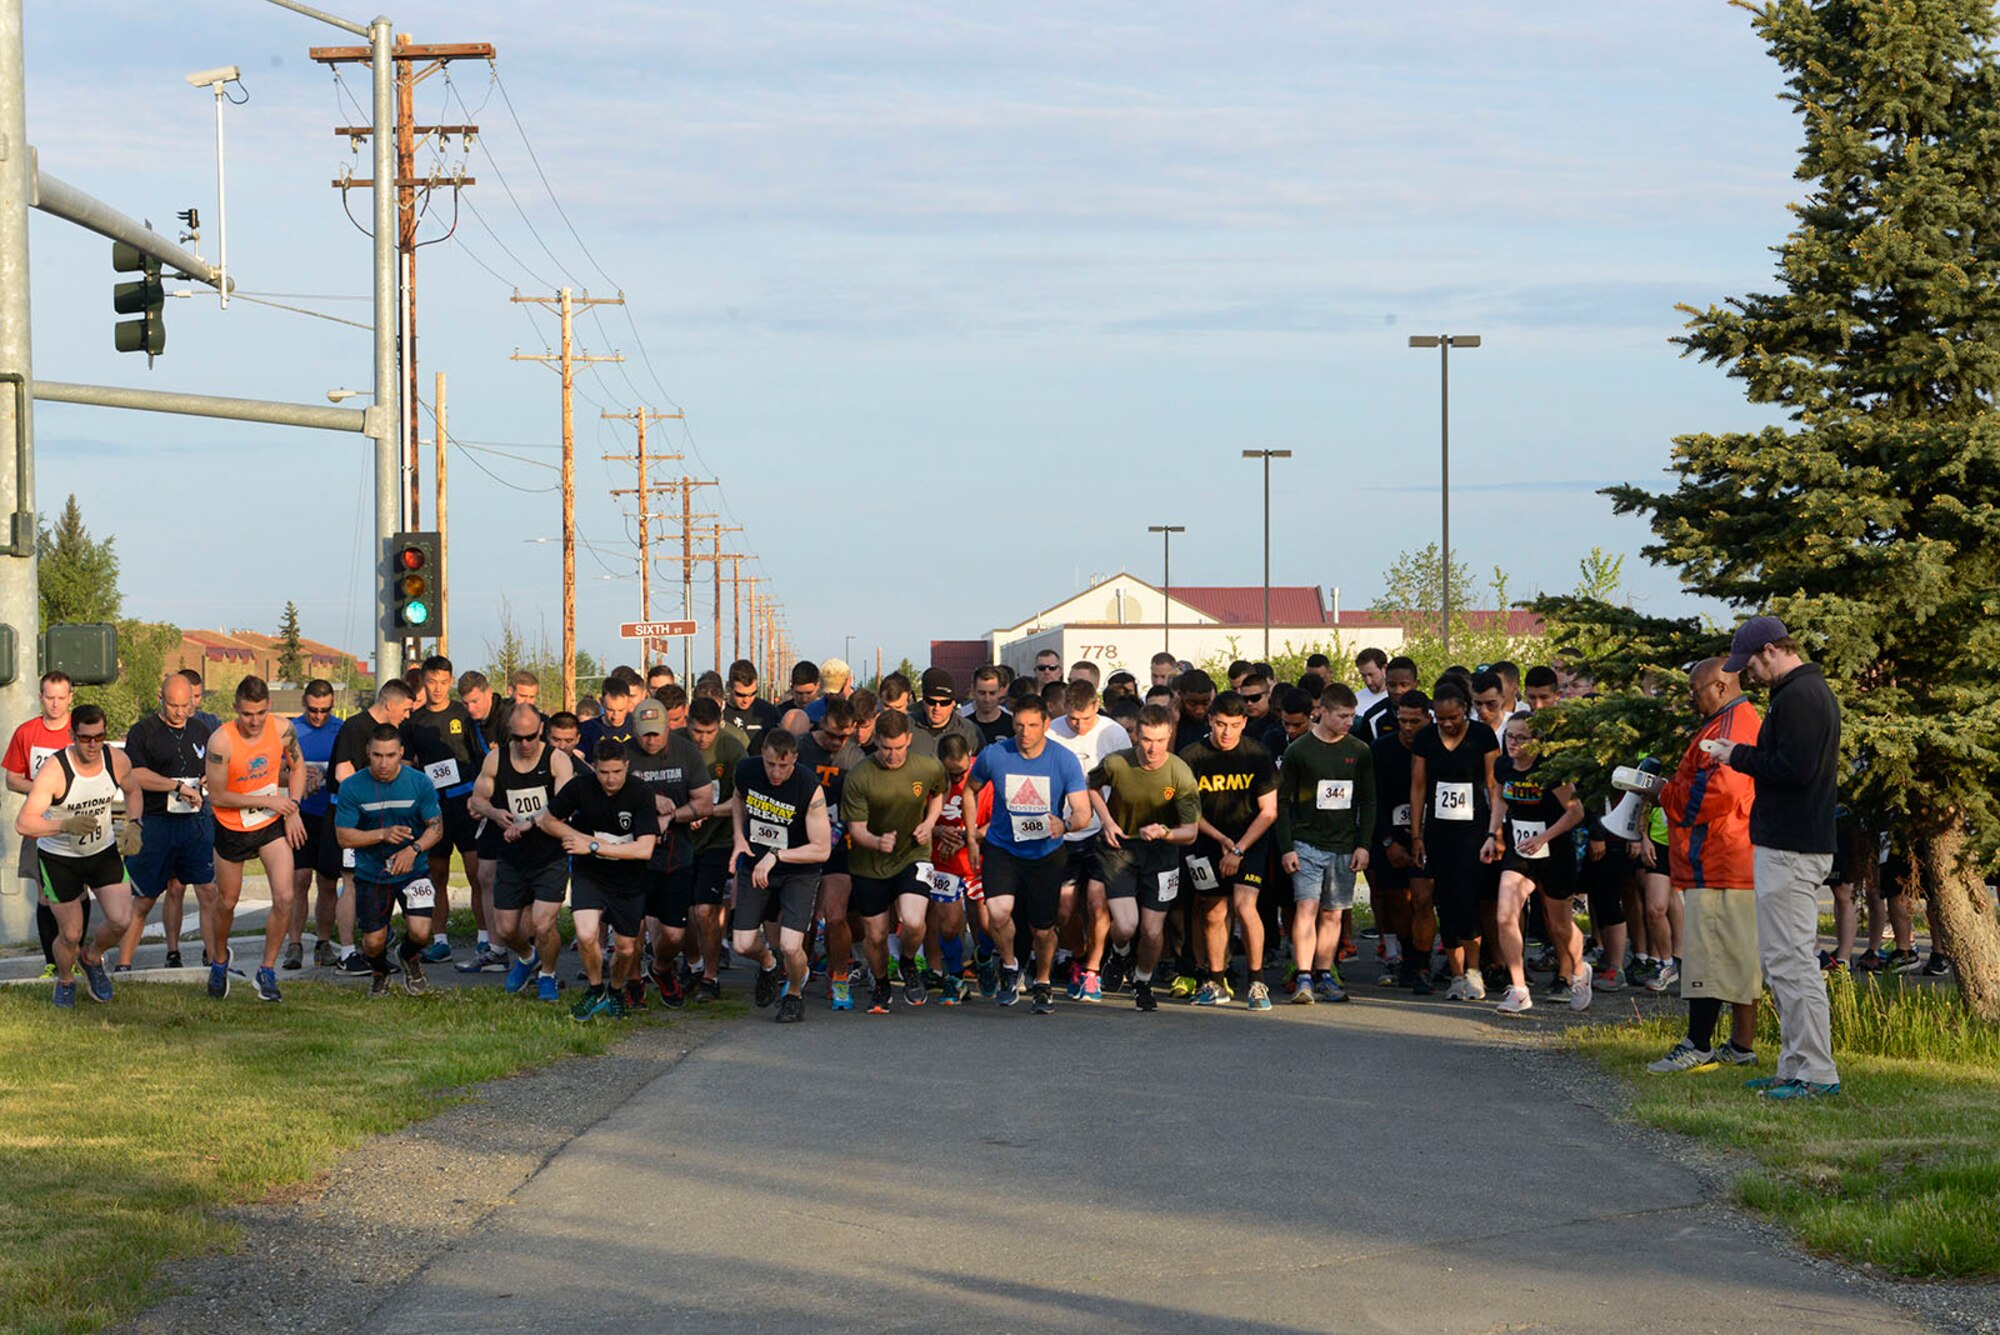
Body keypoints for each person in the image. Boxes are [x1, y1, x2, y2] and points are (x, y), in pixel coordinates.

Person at [1704, 616, 1843, 1099]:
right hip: (1792, 842)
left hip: (1791, 846)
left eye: (1751, 665)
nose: (1751, 676)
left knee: (1792, 962)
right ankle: (1794, 1065)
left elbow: (1794, 769)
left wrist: (1734, 755)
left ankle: (1817, 1073)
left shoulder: (1801, 698)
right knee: (1784, 960)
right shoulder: (1803, 693)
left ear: (1770, 650)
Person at [1646, 658, 1763, 1071]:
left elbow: (1718, 790)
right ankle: (1741, 1046)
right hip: (1730, 857)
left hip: (1720, 857)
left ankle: (1698, 1044)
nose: (1691, 698)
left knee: (1706, 956)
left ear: (1720, 686)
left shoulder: (1730, 727)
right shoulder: (1735, 720)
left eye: (1695, 690)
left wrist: (1664, 794)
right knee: (1737, 956)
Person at [967, 696, 1092, 1010]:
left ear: (1046, 725)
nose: (1025, 732)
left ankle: (1044, 981)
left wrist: (1065, 825)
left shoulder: (1063, 760)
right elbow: (970, 789)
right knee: (996, 913)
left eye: (1033, 725)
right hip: (1002, 848)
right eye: (1019, 725)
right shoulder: (995, 754)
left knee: (1042, 929)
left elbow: (1083, 812)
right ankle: (1010, 965)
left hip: (1045, 854)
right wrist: (971, 836)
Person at [13, 705, 139, 1007]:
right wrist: (64, 825)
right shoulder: (55, 771)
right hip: (60, 858)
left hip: (102, 850)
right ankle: (66, 979)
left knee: (122, 920)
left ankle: (92, 958)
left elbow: (134, 791)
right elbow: (24, 822)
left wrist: (135, 825)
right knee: (70, 933)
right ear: (72, 736)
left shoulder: (116, 760)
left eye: (99, 737)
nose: (93, 745)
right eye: (86, 739)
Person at [1090, 703, 1202, 1014]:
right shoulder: (1116, 763)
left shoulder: (1180, 773)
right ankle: (1120, 952)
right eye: (1147, 740)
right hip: (1121, 848)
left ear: (1170, 736)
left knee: (1153, 931)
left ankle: (1142, 980)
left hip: (1162, 853)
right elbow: (1091, 786)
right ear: (1136, 735)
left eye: (1160, 740)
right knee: (1126, 925)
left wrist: (1165, 832)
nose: (1153, 748)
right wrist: (1107, 822)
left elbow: (1190, 832)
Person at [204, 676, 310, 1002]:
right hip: (233, 826)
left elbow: (298, 766)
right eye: (248, 714)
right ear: (236, 708)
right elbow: (218, 795)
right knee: (227, 901)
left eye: (260, 713)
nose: (254, 721)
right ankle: (220, 960)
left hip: (269, 824)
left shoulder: (281, 729)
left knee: (285, 897)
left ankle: (266, 970)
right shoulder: (221, 741)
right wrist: (269, 801)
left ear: (269, 708)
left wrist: (291, 808)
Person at [538, 740, 661, 1021]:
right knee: (585, 934)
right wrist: (579, 839)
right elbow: (547, 820)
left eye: (617, 771)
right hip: (590, 874)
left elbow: (644, 849)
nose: (610, 778)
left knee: (627, 947)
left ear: (627, 767)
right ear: (594, 768)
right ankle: (594, 990)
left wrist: (594, 846)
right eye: (604, 772)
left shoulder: (641, 792)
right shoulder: (581, 787)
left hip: (629, 879)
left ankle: (615, 992)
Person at [1274, 682, 1377, 1004]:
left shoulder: (1359, 751)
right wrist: (1287, 846)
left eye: (1352, 716)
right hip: (1306, 843)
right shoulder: (1299, 751)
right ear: (1322, 712)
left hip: (1344, 845)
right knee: (1307, 906)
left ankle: (1324, 972)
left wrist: (1363, 844)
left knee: (1333, 913)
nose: (1349, 722)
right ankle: (1303, 975)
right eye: (1342, 716)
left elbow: (1368, 801)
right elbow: (1283, 801)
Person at [840, 709, 949, 1012]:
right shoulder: (860, 776)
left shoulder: (927, 767)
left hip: (912, 854)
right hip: (869, 863)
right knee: (874, 936)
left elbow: (939, 792)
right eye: (886, 748)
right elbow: (856, 829)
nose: (892, 755)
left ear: (909, 741)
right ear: (875, 741)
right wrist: (877, 841)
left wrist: (929, 823)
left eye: (899, 748)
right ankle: (880, 983)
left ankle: (908, 962)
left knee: (913, 920)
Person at [468, 700, 576, 1003]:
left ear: (541, 730)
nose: (526, 743)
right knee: (504, 930)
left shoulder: (556, 760)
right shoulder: (495, 760)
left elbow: (563, 805)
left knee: (543, 924)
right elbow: (477, 799)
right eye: (518, 738)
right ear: (509, 735)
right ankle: (528, 958)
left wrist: (529, 823)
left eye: (531, 736)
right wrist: (494, 813)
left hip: (549, 854)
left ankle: (547, 975)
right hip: (512, 855)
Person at [1181, 690, 1279, 1010]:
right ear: (1210, 720)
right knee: (1213, 909)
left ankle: (1256, 981)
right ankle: (1216, 980)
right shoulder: (1192, 756)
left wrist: (1237, 849)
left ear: (1244, 723)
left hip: (1249, 838)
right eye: (1220, 724)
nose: (1226, 732)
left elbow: (1269, 812)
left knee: (1244, 905)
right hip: (1207, 838)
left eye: (1234, 725)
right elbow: (1187, 810)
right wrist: (1221, 840)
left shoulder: (1258, 754)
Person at [731, 726, 833, 1024]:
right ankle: (767, 963)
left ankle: (794, 994)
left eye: (783, 765)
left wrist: (776, 857)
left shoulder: (808, 786)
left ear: (795, 759)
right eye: (771, 764)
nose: (776, 772)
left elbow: (822, 849)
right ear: (762, 755)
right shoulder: (747, 770)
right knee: (742, 944)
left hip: (797, 869)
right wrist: (739, 836)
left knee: (791, 944)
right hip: (756, 863)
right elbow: (738, 799)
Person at [334, 724, 444, 997]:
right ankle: (380, 970)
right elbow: (344, 837)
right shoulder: (352, 787)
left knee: (420, 933)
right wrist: (381, 834)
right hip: (372, 874)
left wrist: (413, 850)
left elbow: (436, 828)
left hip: (413, 871)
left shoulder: (420, 782)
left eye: (391, 755)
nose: (384, 763)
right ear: (367, 753)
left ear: (401, 753)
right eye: (377, 756)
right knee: (373, 943)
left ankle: (409, 957)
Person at [119, 674, 218, 973]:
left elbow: (214, 766)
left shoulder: (201, 729)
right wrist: (175, 786)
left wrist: (206, 779)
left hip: (194, 823)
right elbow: (134, 774)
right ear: (160, 699)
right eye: (173, 705)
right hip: (157, 821)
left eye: (185, 705)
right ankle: (123, 964)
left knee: (207, 890)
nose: (179, 712)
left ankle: (215, 960)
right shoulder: (143, 732)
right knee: (145, 898)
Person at [1410, 683, 1503, 1001]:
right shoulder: (1424, 739)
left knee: (1467, 897)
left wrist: (1496, 831)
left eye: (1453, 717)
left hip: (1474, 830)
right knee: (1445, 901)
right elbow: (1418, 788)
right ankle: (1456, 974)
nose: (1447, 724)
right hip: (1438, 830)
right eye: (1441, 719)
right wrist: (1416, 835)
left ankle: (1475, 971)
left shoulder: (1482, 736)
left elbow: (1494, 785)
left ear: (1466, 708)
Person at [1489, 715, 1588, 1014]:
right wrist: (1491, 834)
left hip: (1555, 851)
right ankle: (1519, 989)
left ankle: (1580, 971)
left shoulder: (1549, 770)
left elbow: (1576, 813)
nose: (1513, 743)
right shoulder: (1504, 766)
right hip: (1520, 851)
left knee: (1559, 926)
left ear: (1537, 742)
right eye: (1510, 736)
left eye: (1521, 737)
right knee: (1505, 915)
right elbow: (1501, 798)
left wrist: (1544, 837)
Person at [624, 694, 716, 1004]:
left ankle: (661, 968)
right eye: (645, 733)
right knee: (632, 929)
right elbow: (609, 798)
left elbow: (704, 804)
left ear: (667, 728)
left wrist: (673, 815)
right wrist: (649, 803)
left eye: (657, 732)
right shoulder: (624, 757)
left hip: (677, 857)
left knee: (674, 936)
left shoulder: (686, 752)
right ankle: (633, 981)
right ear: (635, 729)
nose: (651, 740)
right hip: (634, 858)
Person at [325, 679, 420, 975]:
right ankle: (347, 953)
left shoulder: (393, 734)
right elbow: (343, 773)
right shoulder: (355, 728)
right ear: (389, 704)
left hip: (381, 819)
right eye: (405, 709)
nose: (407, 715)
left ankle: (375, 945)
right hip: (354, 819)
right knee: (351, 881)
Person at [1047, 680, 1130, 1001]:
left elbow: (1123, 784)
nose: (1077, 725)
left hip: (1100, 830)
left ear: (1096, 706)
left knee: (1097, 903)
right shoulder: (1053, 731)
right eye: (1071, 718)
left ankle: (1092, 972)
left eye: (1083, 718)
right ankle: (1079, 957)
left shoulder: (1113, 734)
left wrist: (1114, 824)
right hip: (1064, 831)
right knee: (1063, 908)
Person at [403, 656, 489, 967]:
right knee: (436, 874)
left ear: (450, 682)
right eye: (431, 682)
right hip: (434, 808)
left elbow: (483, 758)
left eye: (443, 682)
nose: (437, 688)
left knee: (477, 874)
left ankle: (484, 939)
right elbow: (408, 766)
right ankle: (440, 941)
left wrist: (480, 796)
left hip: (465, 803)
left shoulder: (463, 714)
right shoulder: (414, 721)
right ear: (423, 682)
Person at [794, 697, 865, 1009]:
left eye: (845, 735)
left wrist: (842, 827)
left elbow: (861, 804)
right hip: (802, 841)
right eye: (834, 734)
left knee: (836, 915)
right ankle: (797, 974)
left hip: (838, 844)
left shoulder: (855, 757)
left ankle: (838, 976)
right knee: (804, 916)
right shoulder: (799, 748)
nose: (838, 742)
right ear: (821, 723)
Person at [678, 696, 749, 1005]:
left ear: (718, 725)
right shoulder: (675, 745)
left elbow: (741, 801)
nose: (701, 738)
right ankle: (692, 964)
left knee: (705, 910)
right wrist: (685, 813)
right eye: (696, 731)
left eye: (708, 732)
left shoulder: (732, 749)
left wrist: (706, 812)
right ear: (686, 722)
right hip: (680, 839)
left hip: (718, 840)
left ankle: (710, 976)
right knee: (681, 913)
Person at [5, 671, 75, 979]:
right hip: (39, 824)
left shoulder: (79, 731)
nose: (56, 704)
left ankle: (74, 958)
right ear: (40, 697)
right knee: (46, 894)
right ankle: (51, 962)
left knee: (75, 894)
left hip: (75, 823)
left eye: (61, 698)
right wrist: (41, 790)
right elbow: (12, 779)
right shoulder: (26, 732)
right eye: (50, 698)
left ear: (70, 698)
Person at [1373, 689, 1436, 994]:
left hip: (1430, 835)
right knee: (1398, 900)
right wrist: (1388, 842)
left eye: (1415, 721)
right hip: (1393, 836)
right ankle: (1408, 956)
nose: (1408, 728)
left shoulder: (1438, 746)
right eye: (1403, 721)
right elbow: (1373, 801)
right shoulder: (1381, 750)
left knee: (1423, 898)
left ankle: (1423, 963)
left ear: (1429, 718)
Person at [282, 680, 345, 970]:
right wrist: (297, 777)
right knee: (299, 880)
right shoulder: (291, 730)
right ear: (304, 704)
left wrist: (324, 776)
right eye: (313, 710)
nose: (318, 716)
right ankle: (294, 944)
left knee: (328, 882)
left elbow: (352, 770)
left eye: (324, 710)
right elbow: (274, 773)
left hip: (331, 814)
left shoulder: (340, 729)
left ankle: (323, 943)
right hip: (300, 815)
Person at [910, 668, 983, 757]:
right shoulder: (907, 726)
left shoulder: (969, 732)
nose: (937, 708)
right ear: (924, 701)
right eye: (931, 702)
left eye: (944, 703)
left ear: (953, 703)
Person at [723, 659, 783, 751]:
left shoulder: (769, 713)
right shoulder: (719, 714)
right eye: (740, 695)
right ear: (728, 687)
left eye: (752, 693)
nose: (746, 700)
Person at [578, 674, 639, 755]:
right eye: (610, 710)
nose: (615, 716)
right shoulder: (587, 729)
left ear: (628, 703)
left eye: (621, 710)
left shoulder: (638, 725)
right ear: (601, 702)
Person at [966, 666, 1014, 747]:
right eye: (982, 693)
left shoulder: (1013, 725)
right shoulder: (965, 727)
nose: (987, 699)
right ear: (973, 691)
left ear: (1000, 692)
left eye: (992, 693)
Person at [1354, 648, 1389, 719]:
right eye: (1363, 676)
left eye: (1371, 675)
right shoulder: (1355, 700)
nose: (1368, 681)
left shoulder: (1396, 698)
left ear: (1384, 669)